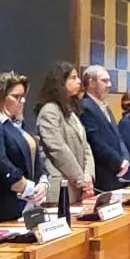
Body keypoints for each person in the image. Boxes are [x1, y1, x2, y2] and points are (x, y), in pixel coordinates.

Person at [0, 71, 45, 223]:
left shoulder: (17, 125)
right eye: (16, 97)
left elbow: (36, 160)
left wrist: (43, 183)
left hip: (28, 206)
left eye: (23, 97)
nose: (22, 101)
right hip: (3, 208)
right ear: (0, 96)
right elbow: (0, 164)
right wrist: (28, 187)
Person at [35, 61, 96, 211]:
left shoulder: (71, 110)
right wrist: (80, 178)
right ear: (60, 82)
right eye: (73, 78)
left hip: (78, 184)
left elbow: (85, 146)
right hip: (62, 186)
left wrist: (88, 175)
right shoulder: (49, 111)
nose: (79, 81)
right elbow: (58, 150)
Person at [78, 64, 130, 193]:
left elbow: (117, 137)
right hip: (102, 173)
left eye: (109, 80)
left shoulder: (105, 107)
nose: (109, 85)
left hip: (115, 173)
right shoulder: (85, 106)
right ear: (91, 82)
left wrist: (126, 158)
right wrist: (118, 163)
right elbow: (95, 141)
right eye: (104, 81)